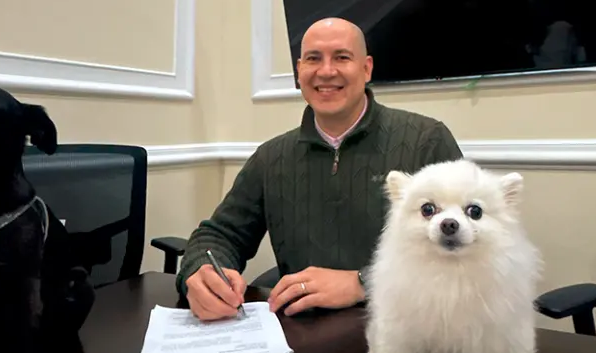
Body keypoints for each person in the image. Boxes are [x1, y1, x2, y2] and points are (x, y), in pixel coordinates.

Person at [177, 17, 463, 320]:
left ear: (366, 69)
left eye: (341, 57)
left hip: (408, 328)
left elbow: (471, 251)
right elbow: (219, 235)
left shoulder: (426, 140)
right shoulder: (271, 157)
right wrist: (201, 271)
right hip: (301, 332)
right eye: (313, 59)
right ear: (299, 71)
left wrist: (364, 282)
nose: (326, 71)